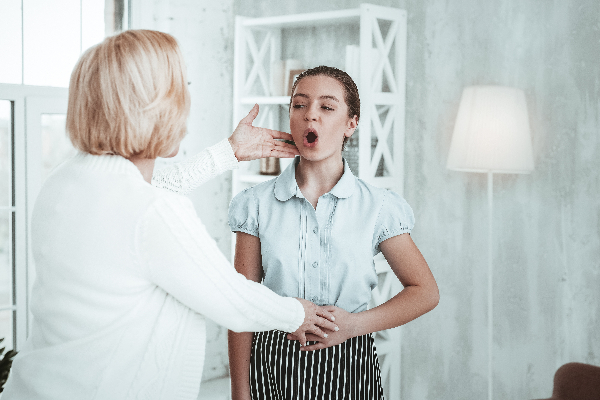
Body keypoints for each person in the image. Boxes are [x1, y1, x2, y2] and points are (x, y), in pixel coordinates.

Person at [1, 30, 337, 400]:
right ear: (154, 106)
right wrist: (298, 314)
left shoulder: (64, 180)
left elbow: (148, 189)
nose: (187, 100)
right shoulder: (150, 211)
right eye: (182, 88)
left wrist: (228, 152)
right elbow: (231, 299)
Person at [227, 66, 440, 400]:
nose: (311, 115)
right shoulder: (253, 204)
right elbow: (241, 303)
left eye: (327, 107)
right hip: (270, 366)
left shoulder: (380, 207)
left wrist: (354, 325)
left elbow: (425, 291)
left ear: (350, 124)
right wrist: (240, 392)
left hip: (351, 367)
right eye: (300, 105)